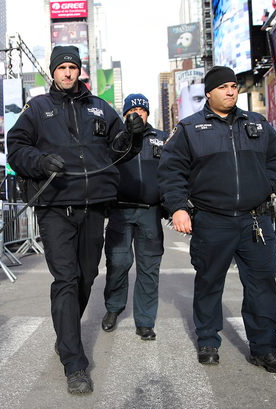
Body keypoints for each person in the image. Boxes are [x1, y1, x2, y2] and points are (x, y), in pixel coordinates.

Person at [7, 45, 144, 394]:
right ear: (52, 72)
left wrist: (132, 133)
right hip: (54, 208)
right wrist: (39, 161)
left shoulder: (100, 106)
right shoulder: (37, 108)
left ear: (79, 70)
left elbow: (120, 149)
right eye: (61, 67)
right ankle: (74, 361)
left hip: (94, 207)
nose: (67, 73)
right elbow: (16, 148)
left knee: (86, 277)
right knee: (66, 280)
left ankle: (64, 334)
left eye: (73, 67)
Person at [158, 66, 276, 373]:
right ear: (209, 93)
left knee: (261, 285)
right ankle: (207, 340)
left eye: (234, 86)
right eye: (223, 87)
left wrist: (263, 187)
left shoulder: (257, 123)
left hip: (255, 222)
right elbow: (170, 171)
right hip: (212, 221)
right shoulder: (190, 128)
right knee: (209, 282)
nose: (231, 91)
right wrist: (178, 207)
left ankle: (264, 349)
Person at [102, 94, 168, 341]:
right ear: (125, 114)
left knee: (149, 267)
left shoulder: (162, 139)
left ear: (148, 113)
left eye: (142, 109)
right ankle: (113, 308)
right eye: (133, 110)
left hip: (151, 212)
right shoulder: (117, 140)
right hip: (120, 210)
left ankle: (145, 321)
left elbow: (172, 172)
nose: (138, 113)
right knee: (118, 262)